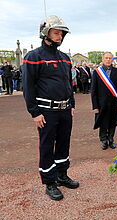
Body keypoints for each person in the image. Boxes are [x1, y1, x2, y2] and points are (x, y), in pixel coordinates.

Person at [22, 15, 79, 201]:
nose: (59, 36)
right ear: (45, 33)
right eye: (56, 33)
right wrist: (34, 112)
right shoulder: (33, 57)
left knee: (64, 142)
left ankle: (62, 175)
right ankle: (50, 182)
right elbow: (28, 87)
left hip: (65, 110)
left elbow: (68, 83)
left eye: (62, 33)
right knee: (47, 146)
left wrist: (72, 104)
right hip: (46, 112)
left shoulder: (65, 58)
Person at [91, 52, 117, 150]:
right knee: (102, 122)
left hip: (114, 103)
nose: (108, 60)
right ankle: (104, 140)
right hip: (101, 103)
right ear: (102, 59)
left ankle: (111, 139)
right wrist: (95, 106)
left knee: (113, 122)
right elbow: (93, 90)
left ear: (112, 59)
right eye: (106, 58)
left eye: (110, 58)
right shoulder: (97, 72)